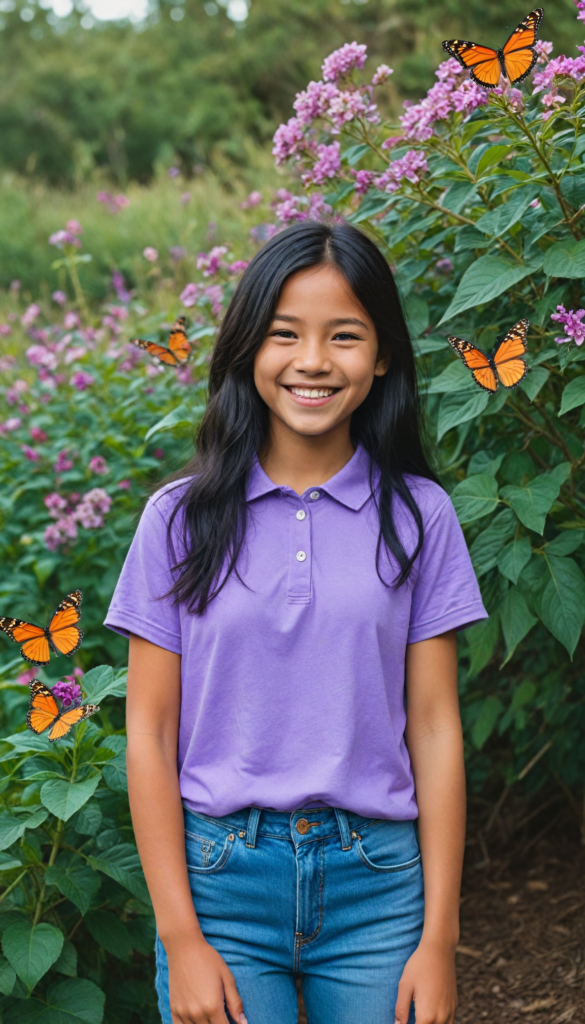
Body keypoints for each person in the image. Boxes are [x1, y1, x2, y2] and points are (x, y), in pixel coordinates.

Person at [105, 220, 488, 1024]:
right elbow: (149, 731)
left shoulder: (420, 516)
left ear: (381, 356)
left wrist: (438, 939)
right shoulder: (177, 520)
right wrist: (181, 938)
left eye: (344, 336)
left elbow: (433, 724)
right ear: (249, 348)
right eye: (285, 334)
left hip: (377, 884)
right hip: (220, 884)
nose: (313, 361)